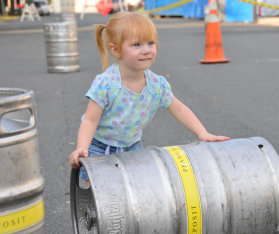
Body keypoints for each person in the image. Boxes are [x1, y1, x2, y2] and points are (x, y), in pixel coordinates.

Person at [69, 12, 230, 185]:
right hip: (99, 146)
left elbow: (179, 108)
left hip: (132, 146)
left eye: (150, 43)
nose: (146, 50)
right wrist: (82, 148)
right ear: (115, 49)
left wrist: (202, 133)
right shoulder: (106, 84)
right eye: (137, 44)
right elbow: (90, 120)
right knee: (99, 194)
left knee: (134, 192)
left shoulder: (156, 85)